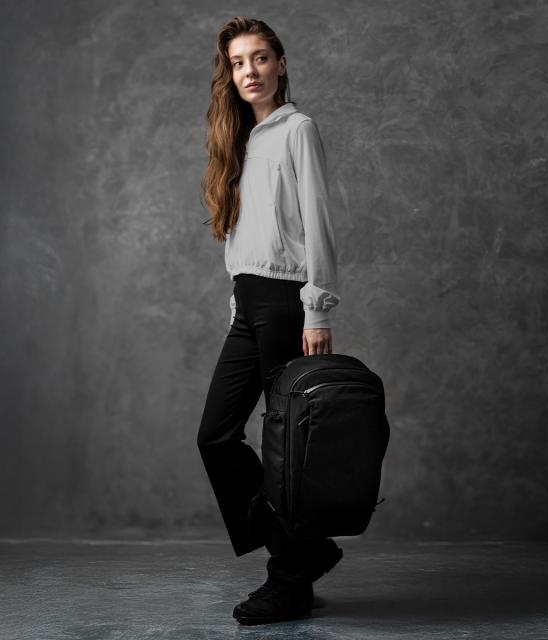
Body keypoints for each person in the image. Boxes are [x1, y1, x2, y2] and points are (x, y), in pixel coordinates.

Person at [196, 16, 343, 625]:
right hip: (249, 301)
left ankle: (289, 581)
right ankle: (306, 548)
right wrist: (237, 301)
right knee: (216, 436)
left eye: (259, 58)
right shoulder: (240, 138)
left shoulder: (297, 130)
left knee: (284, 448)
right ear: (229, 75)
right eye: (238, 63)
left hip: (287, 300)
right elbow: (245, 233)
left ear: (280, 64)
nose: (249, 71)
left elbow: (318, 221)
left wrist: (317, 306)